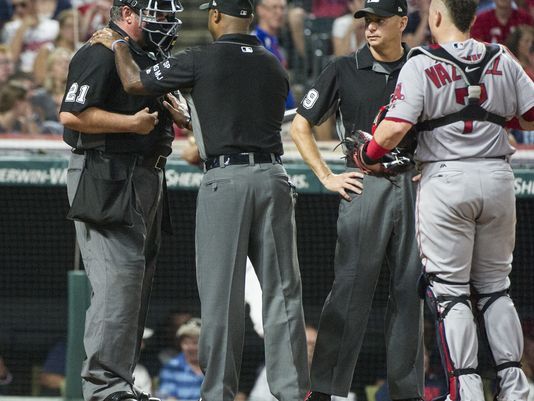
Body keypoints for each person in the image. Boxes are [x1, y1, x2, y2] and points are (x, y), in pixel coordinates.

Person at [89, 1, 310, 400]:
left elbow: (134, 82)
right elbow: (237, 111)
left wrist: (118, 44)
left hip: (226, 181)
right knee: (283, 292)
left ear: (214, 17)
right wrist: (193, 115)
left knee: (221, 296)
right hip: (275, 178)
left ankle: (218, 394)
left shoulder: (200, 58)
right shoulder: (272, 63)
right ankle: (293, 392)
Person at [356, 0, 534, 398]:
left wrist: (365, 157)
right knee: (495, 289)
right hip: (498, 176)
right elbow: (530, 115)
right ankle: (515, 388)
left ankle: (467, 391)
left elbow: (392, 130)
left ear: (436, 18)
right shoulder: (501, 56)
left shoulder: (420, 61)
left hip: (447, 179)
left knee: (451, 291)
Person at [289, 0, 424, 399]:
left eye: (381, 21)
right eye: (367, 21)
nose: (370, 28)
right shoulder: (344, 67)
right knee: (350, 290)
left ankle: (408, 392)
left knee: (409, 294)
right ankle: (326, 390)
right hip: (365, 183)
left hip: (413, 186)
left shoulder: (419, 66)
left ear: (403, 22)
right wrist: (327, 176)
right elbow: (300, 126)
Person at [58, 1, 185, 400]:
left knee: (136, 285)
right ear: (128, 13)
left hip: (145, 175)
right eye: (158, 14)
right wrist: (130, 124)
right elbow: (72, 115)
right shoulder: (98, 51)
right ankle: (104, 388)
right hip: (104, 172)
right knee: (119, 282)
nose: (166, 22)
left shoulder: (144, 56)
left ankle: (119, 384)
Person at [249, 325, 356, 401]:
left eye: (313, 345)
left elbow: (347, 398)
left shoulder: (333, 373)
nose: (310, 349)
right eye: (306, 344)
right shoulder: (275, 370)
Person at [250, 0, 295, 109]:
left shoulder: (277, 40)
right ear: (260, 10)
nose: (279, 12)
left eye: (282, 8)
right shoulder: (254, 41)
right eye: (274, 7)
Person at [157, 318, 203, 401]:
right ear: (180, 344)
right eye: (186, 343)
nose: (191, 347)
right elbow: (168, 397)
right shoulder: (171, 367)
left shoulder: (214, 367)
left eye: (195, 343)